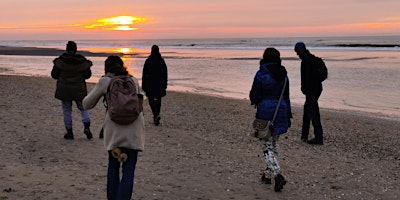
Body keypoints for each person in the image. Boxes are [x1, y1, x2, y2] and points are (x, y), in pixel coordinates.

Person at [83, 55, 145, 200]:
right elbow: (141, 100)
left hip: (115, 129)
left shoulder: (105, 81)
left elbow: (87, 104)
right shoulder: (133, 80)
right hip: (134, 128)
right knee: (129, 170)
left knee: (113, 167)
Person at [249, 47, 291, 192]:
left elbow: (254, 94)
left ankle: (277, 175)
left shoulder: (261, 74)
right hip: (281, 111)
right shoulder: (284, 75)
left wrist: (256, 100)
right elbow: (286, 97)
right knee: (273, 143)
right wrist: (288, 115)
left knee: (267, 146)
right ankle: (267, 175)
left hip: (265, 112)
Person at [51, 41, 93, 140]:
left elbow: (54, 75)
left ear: (66, 48)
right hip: (79, 89)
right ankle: (86, 127)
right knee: (83, 108)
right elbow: (87, 75)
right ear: (76, 49)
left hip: (64, 89)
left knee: (67, 110)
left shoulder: (60, 61)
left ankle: (69, 132)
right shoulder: (82, 61)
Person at [294, 42, 324, 145]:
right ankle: (304, 135)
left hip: (311, 89)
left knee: (312, 111)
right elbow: (323, 76)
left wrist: (304, 88)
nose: (297, 55)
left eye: (297, 52)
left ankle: (318, 137)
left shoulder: (305, 61)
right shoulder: (315, 59)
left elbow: (305, 78)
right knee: (308, 110)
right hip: (317, 88)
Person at [142, 45, 168, 126]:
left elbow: (144, 74)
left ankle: (155, 114)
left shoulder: (148, 61)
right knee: (158, 100)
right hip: (159, 83)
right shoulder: (161, 61)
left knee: (151, 100)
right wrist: (165, 84)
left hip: (150, 83)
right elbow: (165, 74)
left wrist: (143, 85)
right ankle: (156, 114)